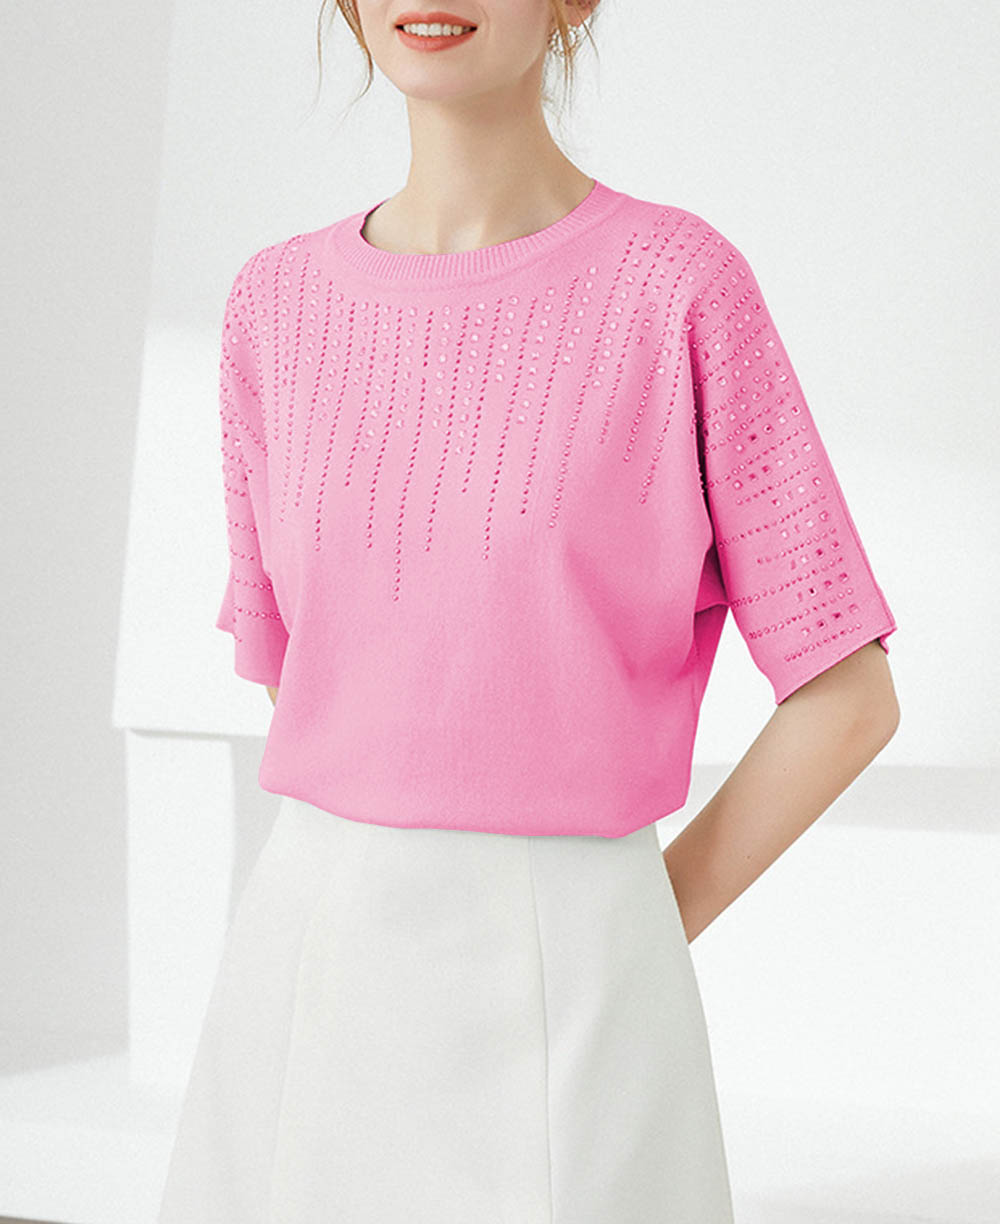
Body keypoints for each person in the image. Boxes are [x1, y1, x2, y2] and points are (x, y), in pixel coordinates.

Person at [158, 1, 900, 1220]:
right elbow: (313, 678)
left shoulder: (676, 288)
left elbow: (847, 698)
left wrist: (635, 922)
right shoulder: (273, 305)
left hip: (576, 980)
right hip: (307, 961)